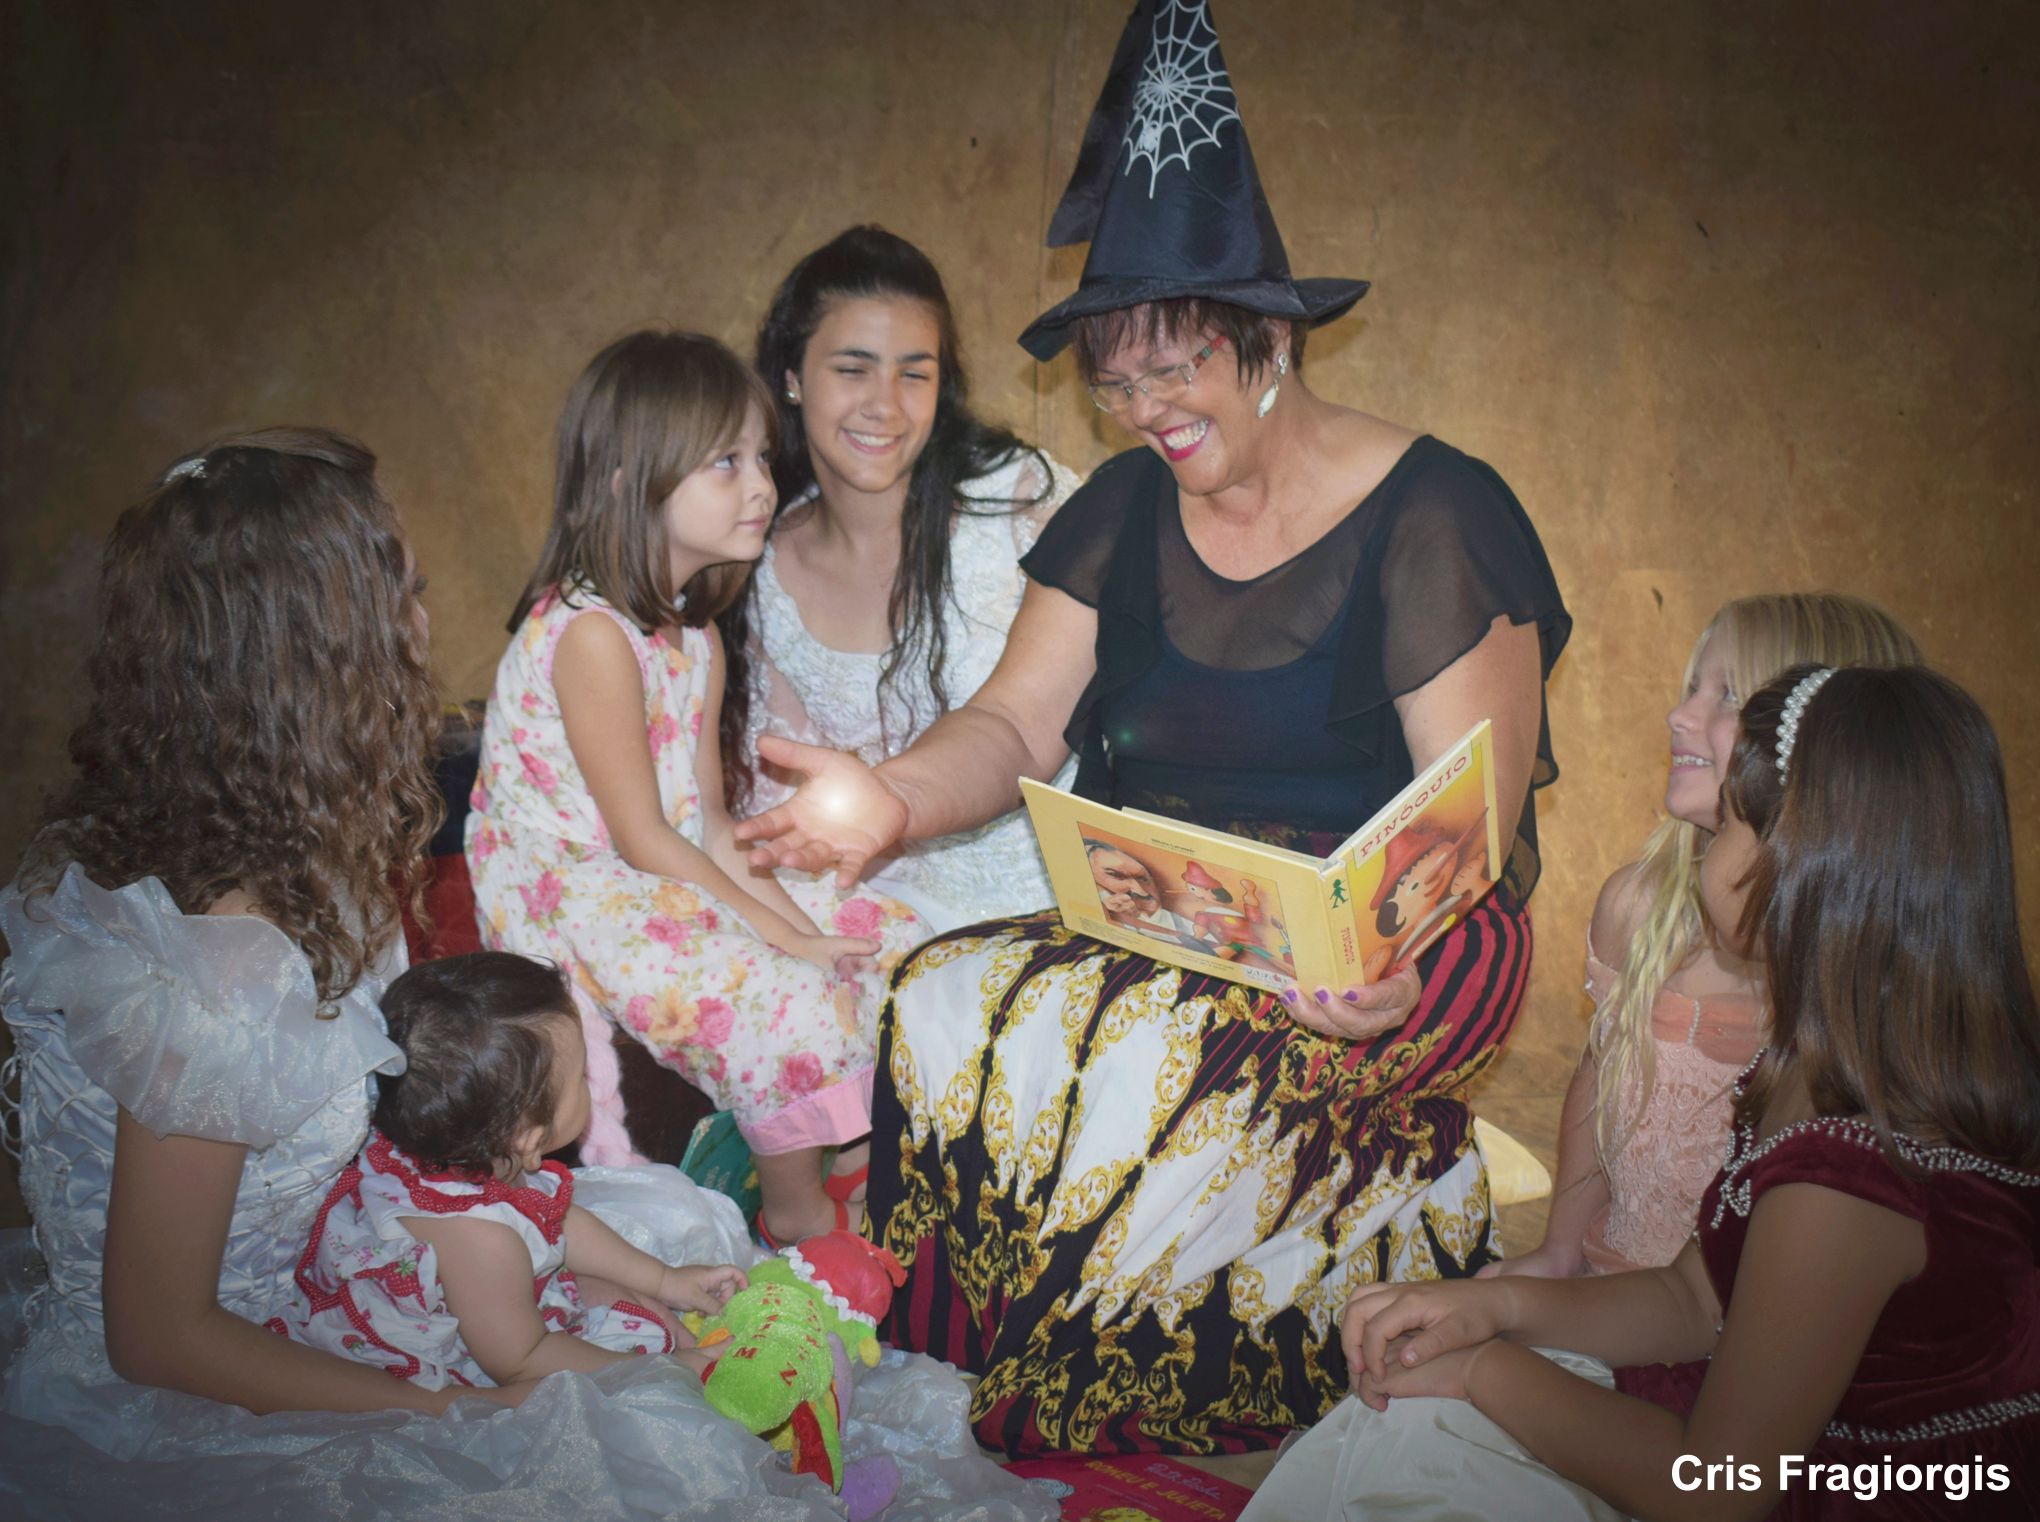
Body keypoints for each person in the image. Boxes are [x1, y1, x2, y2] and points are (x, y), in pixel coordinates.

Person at [737, 4, 1569, 1454]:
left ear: (1268, 340)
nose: (1140, 409)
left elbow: (1466, 828)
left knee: (1146, 1048)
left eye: (1172, 369)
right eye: (1114, 380)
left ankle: (1169, 1365)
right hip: (1186, 910)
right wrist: (890, 798)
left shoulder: (1438, 511)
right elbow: (1014, 721)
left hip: (1402, 930)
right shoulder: (1122, 509)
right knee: (943, 993)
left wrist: (1379, 952)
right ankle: (972, 1353)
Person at [0, 431, 1058, 1522]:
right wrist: (456, 1409)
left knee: (682, 1255)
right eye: (403, 597)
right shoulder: (215, 962)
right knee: (639, 1450)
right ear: (316, 660)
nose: (422, 627)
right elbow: (160, 1336)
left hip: (370, 1251)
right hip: (243, 1369)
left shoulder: (302, 856)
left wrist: (554, 1269)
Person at [1249, 665, 2040, 1521]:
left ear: (1804, 871)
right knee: (1415, 1430)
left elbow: (1716, 1492)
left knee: (1428, 1458)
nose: (1705, 847)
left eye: (1726, 824)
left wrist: (1485, 1369)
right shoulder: (1818, 1069)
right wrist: (1491, 1304)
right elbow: (1694, 1296)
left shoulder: (1848, 1176)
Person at [464, 330, 928, 1248]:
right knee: (782, 996)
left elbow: (709, 822)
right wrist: (784, 939)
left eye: (761, 457)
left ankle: (850, 1148)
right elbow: (642, 838)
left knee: (884, 936)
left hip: (660, 856)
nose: (762, 486)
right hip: (571, 886)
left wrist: (803, 925)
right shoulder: (591, 634)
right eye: (726, 462)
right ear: (630, 478)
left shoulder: (696, 636)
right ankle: (795, 1216)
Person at [1494, 593, 1922, 1280]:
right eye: (1692, 687)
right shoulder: (1636, 908)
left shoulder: (1871, 986)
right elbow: (1600, 1074)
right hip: (1614, 1282)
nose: (1679, 715)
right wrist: (1559, 1251)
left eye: (1728, 696)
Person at [723, 224, 1080, 933]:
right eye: (852, 370)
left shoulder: (1024, 502)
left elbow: (1034, 725)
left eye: (914, 374)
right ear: (792, 377)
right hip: (881, 906)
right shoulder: (757, 563)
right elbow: (776, 800)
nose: (885, 405)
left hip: (1058, 899)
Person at [281, 953, 748, 1387]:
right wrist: (665, 1369)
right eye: (581, 1078)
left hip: (495, 1303)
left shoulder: (461, 1145)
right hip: (480, 1354)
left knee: (633, 1297)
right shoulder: (480, 1239)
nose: (591, 1085)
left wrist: (666, 1280)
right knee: (645, 1334)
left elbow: (555, 1218)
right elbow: (522, 1359)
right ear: (528, 1140)